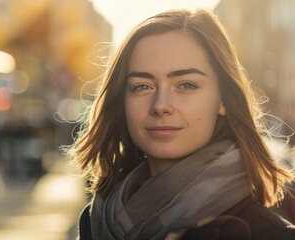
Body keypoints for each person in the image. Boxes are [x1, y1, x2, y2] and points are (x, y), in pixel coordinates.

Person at [65, 8, 295, 240]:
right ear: (122, 100)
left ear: (223, 99)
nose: (161, 105)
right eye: (142, 86)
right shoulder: (97, 221)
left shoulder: (268, 234)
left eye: (186, 85)